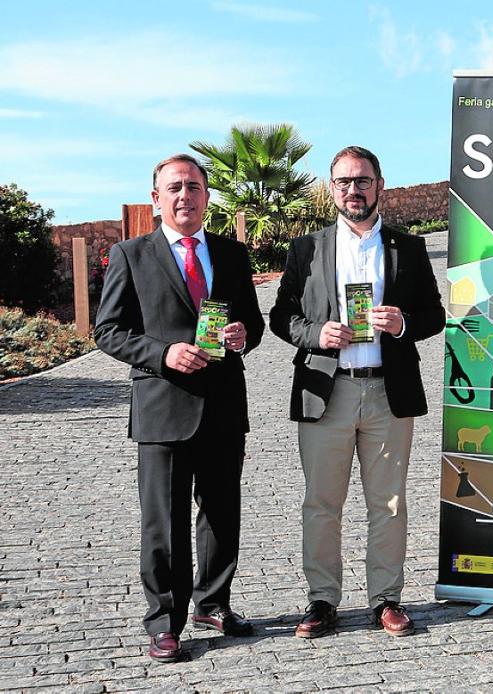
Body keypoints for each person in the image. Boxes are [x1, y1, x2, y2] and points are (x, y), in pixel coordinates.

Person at [94, 154, 265, 663]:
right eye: (174, 188)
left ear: (207, 196)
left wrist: (241, 336)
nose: (184, 196)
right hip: (163, 407)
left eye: (193, 187)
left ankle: (213, 604)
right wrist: (162, 353)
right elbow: (107, 331)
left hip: (223, 407)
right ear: (156, 199)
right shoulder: (131, 255)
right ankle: (164, 622)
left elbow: (252, 326)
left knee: (221, 514)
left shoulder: (232, 255)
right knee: (163, 521)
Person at [269, 146, 443, 639]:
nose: (354, 190)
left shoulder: (406, 248)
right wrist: (315, 334)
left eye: (362, 180)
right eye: (344, 182)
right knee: (322, 503)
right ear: (332, 190)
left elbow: (434, 315)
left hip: (389, 394)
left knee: (388, 503)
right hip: (327, 392)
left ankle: (386, 598)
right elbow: (281, 316)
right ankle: (322, 600)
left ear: (380, 185)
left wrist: (404, 321)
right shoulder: (307, 249)